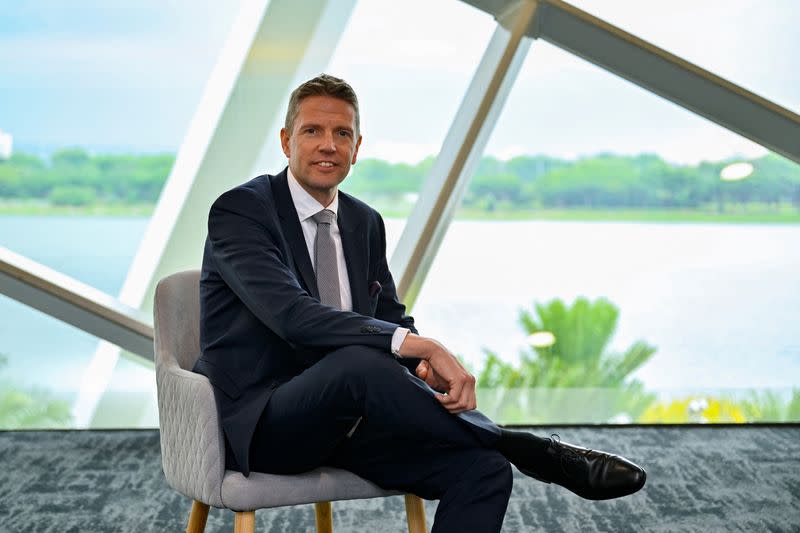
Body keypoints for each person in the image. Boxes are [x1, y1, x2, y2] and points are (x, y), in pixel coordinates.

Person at [194, 74, 645, 532]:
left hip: (353, 422)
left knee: (483, 469)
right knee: (357, 362)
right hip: (265, 426)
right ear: (287, 141)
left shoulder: (363, 222)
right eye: (313, 131)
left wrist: (420, 371)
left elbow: (388, 319)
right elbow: (293, 317)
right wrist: (421, 346)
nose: (328, 145)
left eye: (341, 133)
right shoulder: (241, 211)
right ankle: (530, 449)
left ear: (357, 146)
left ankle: (507, 451)